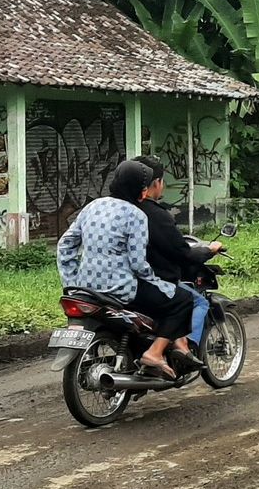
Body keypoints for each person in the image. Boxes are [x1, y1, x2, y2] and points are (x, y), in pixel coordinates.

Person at [57, 160, 198, 379]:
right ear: (142, 191)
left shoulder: (92, 206)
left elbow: (65, 245)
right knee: (182, 299)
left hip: (85, 289)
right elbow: (138, 263)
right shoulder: (136, 215)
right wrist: (157, 282)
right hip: (120, 290)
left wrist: (71, 281)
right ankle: (154, 353)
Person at [133, 155, 221, 356]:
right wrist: (209, 250)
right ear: (156, 183)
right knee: (196, 301)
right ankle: (184, 348)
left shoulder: (115, 210)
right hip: (151, 281)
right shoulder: (155, 215)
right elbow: (182, 253)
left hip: (113, 281)